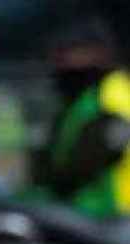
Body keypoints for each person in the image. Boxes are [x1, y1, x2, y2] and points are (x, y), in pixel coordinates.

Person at [41, 20, 130, 218]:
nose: (59, 62)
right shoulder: (85, 97)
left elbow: (107, 144)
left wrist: (63, 183)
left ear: (97, 53)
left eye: (68, 53)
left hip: (110, 214)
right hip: (88, 213)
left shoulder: (111, 93)